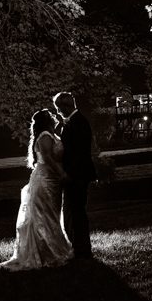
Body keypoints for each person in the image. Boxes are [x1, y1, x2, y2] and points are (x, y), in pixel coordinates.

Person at [0, 109, 73, 270]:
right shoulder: (45, 136)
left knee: (52, 214)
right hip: (46, 179)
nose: (54, 117)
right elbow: (47, 157)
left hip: (53, 180)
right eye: (51, 116)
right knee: (44, 214)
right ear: (46, 121)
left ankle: (53, 247)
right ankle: (45, 252)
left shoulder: (51, 134)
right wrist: (61, 173)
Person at [53, 92, 97, 259]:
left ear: (66, 106)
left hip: (77, 176)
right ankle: (78, 247)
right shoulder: (73, 122)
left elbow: (79, 153)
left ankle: (82, 249)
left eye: (59, 108)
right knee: (72, 212)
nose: (58, 112)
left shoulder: (79, 122)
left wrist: (69, 174)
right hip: (75, 175)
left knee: (77, 212)